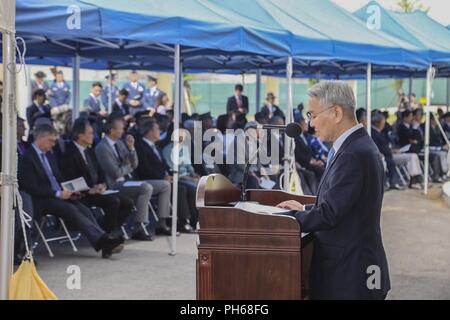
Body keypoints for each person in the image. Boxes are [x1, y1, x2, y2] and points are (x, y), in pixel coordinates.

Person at [276, 81, 390, 299]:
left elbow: (329, 215)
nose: (310, 124)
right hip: (354, 268)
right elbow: (345, 205)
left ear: (336, 112)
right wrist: (306, 208)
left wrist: (283, 219)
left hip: (350, 274)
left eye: (313, 115)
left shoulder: (353, 153)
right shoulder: (356, 146)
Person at [18, 124, 124, 258]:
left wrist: (72, 190)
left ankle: (103, 241)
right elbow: (31, 187)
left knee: (83, 209)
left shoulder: (49, 156)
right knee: (70, 209)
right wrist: (58, 194)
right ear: (40, 138)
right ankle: (104, 241)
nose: (53, 144)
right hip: (41, 199)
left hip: (59, 195)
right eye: (51, 141)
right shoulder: (27, 158)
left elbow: (58, 178)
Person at [61, 118, 134, 234]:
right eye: (90, 133)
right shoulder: (68, 154)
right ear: (80, 135)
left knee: (128, 202)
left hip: (96, 191)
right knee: (113, 201)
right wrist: (89, 190)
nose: (93, 136)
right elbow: (70, 179)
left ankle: (103, 229)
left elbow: (101, 171)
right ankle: (110, 234)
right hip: (81, 194)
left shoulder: (89, 151)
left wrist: (102, 184)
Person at [94, 116, 154, 240]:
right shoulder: (102, 147)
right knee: (146, 188)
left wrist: (131, 148)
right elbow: (115, 173)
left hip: (127, 181)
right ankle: (139, 227)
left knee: (162, 185)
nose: (123, 131)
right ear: (112, 130)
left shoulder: (120, 143)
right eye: (121, 129)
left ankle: (160, 223)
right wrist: (128, 166)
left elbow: (135, 164)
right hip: (115, 184)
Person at [135, 119, 196, 233]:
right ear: (150, 131)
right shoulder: (141, 146)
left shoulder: (155, 147)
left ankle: (193, 220)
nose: (159, 131)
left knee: (190, 189)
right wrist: (162, 177)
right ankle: (182, 222)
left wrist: (172, 174)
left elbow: (165, 166)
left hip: (165, 178)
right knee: (181, 189)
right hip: (151, 180)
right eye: (157, 129)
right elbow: (144, 168)